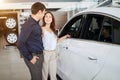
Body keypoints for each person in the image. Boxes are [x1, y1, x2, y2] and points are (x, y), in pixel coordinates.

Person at [17, 2, 46, 80]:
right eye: (44, 12)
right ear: (39, 12)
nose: (44, 14)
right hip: (33, 56)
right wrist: (30, 58)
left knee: (36, 77)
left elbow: (34, 40)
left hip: (38, 55)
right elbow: (20, 43)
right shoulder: (29, 25)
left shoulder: (35, 24)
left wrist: (41, 49)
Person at [42, 11, 70, 80]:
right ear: (44, 18)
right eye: (46, 16)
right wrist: (41, 50)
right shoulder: (41, 29)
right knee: (44, 74)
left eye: (50, 17)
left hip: (53, 53)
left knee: (53, 73)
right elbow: (37, 41)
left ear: (52, 19)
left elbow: (56, 41)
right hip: (45, 53)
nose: (48, 18)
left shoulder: (53, 29)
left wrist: (65, 37)